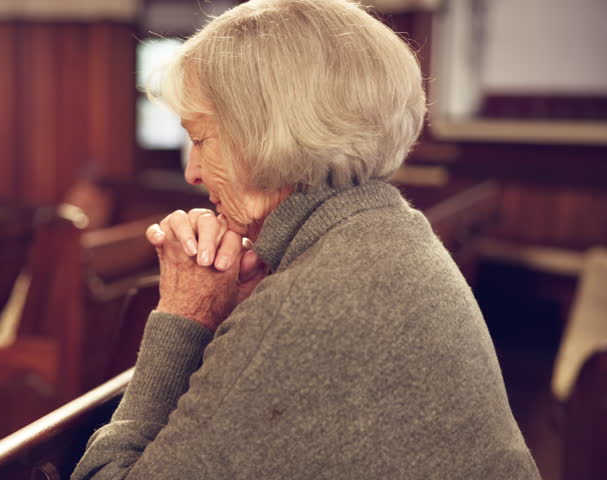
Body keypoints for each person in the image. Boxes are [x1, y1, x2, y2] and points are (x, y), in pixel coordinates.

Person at [72, 0, 540, 478]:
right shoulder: (388, 228)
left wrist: (183, 314)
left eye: (201, 138)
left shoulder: (306, 305)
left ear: (268, 134)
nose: (192, 172)